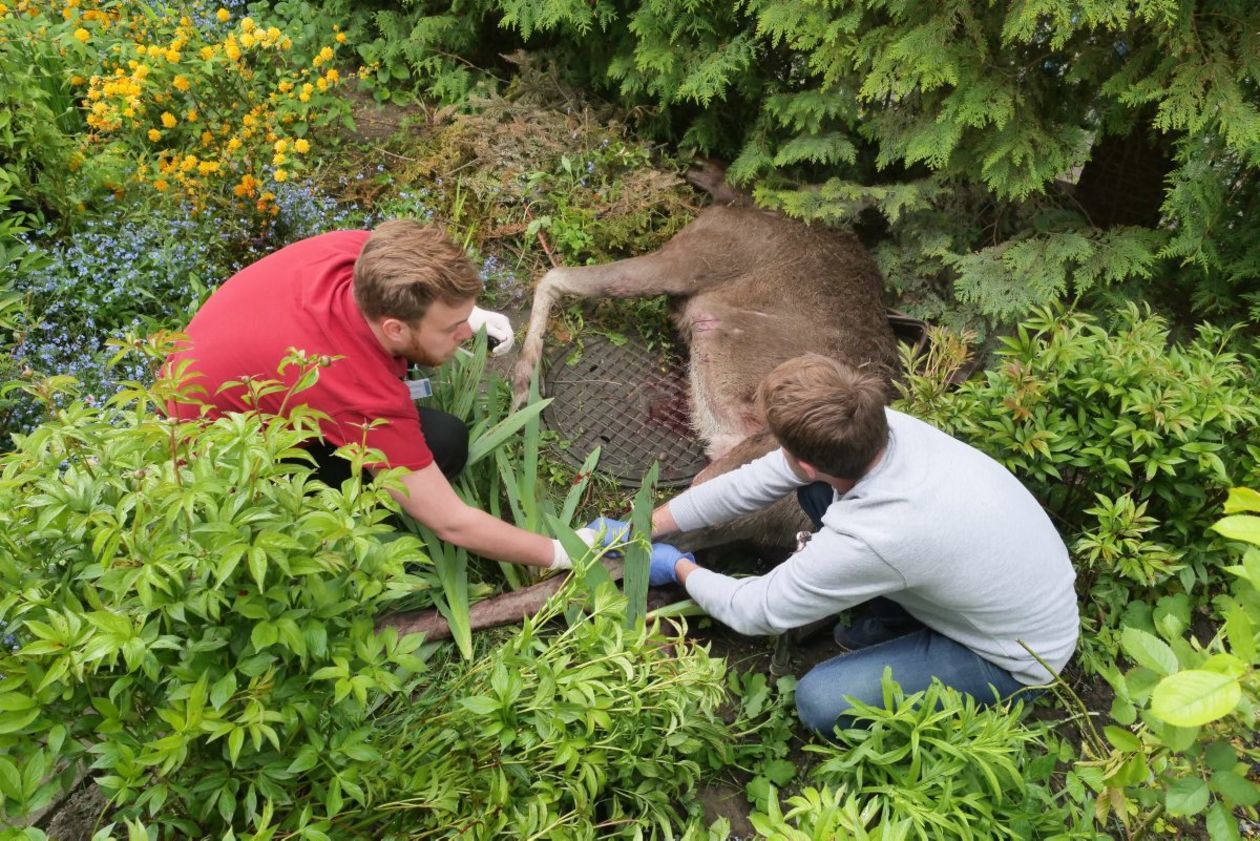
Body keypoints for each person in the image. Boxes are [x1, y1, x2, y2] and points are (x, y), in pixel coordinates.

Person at [590, 353, 1079, 736]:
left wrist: (678, 567)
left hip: (1015, 657)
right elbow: (751, 483)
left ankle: (936, 652)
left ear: (804, 457)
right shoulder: (877, 428)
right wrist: (646, 525)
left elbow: (755, 611)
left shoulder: (877, 534)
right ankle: (897, 621)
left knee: (821, 701)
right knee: (817, 493)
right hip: (1003, 582)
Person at [168, 219, 591, 571]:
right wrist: (562, 552)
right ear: (394, 327)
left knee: (439, 432)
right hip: (214, 471)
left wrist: (465, 314)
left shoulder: (359, 255)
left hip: (218, 382)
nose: (465, 336)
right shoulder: (355, 387)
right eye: (452, 328)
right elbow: (451, 522)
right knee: (445, 446)